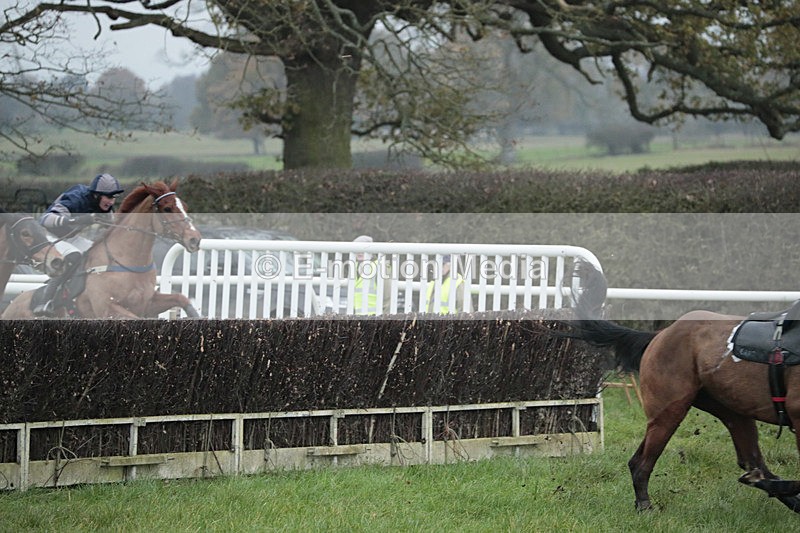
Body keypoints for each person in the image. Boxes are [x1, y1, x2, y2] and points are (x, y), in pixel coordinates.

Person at [33, 173, 125, 316]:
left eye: (113, 197)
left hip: (71, 237)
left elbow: (112, 225)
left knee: (97, 253)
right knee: (74, 256)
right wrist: (80, 219)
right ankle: (45, 301)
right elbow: (45, 219)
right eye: (109, 197)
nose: (111, 201)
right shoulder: (76, 197)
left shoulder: (102, 206)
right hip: (49, 236)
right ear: (96, 195)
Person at [352, 235, 394, 315]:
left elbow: (388, 298)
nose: (359, 252)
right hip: (357, 318)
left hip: (374, 319)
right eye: (357, 249)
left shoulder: (380, 266)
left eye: (363, 248)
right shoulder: (355, 267)